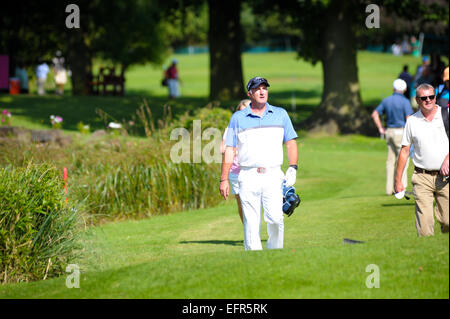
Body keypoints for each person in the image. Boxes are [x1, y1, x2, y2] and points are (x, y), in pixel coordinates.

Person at [219, 77, 298, 251]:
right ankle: (254, 259)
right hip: (248, 175)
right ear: (250, 94)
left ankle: (274, 253)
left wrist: (293, 167)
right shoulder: (237, 118)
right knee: (251, 223)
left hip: (273, 175)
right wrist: (224, 179)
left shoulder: (281, 114)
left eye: (264, 88)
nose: (262, 91)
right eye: (257, 89)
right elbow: (230, 149)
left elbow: (291, 142)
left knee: (276, 219)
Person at [395, 83, 449, 237]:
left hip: (445, 177)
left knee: (448, 221)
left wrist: (448, 159)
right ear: (417, 100)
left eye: (431, 97)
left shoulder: (446, 115)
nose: (428, 100)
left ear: (435, 97)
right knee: (424, 227)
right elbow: (404, 151)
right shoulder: (412, 121)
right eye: (423, 98)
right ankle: (424, 254)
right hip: (421, 176)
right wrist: (398, 180)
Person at [371, 79, 414, 195]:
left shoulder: (386, 100)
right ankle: (402, 188)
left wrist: (381, 128)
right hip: (401, 132)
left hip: (389, 132)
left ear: (393, 88)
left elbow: (375, 114)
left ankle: (389, 189)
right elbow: (408, 119)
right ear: (404, 89)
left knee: (390, 161)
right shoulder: (405, 101)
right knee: (403, 159)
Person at [220, 99, 251, 224]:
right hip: (235, 172)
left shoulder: (258, 128)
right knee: (241, 203)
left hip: (253, 170)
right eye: (242, 111)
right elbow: (222, 149)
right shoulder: (231, 129)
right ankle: (248, 231)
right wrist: (235, 149)